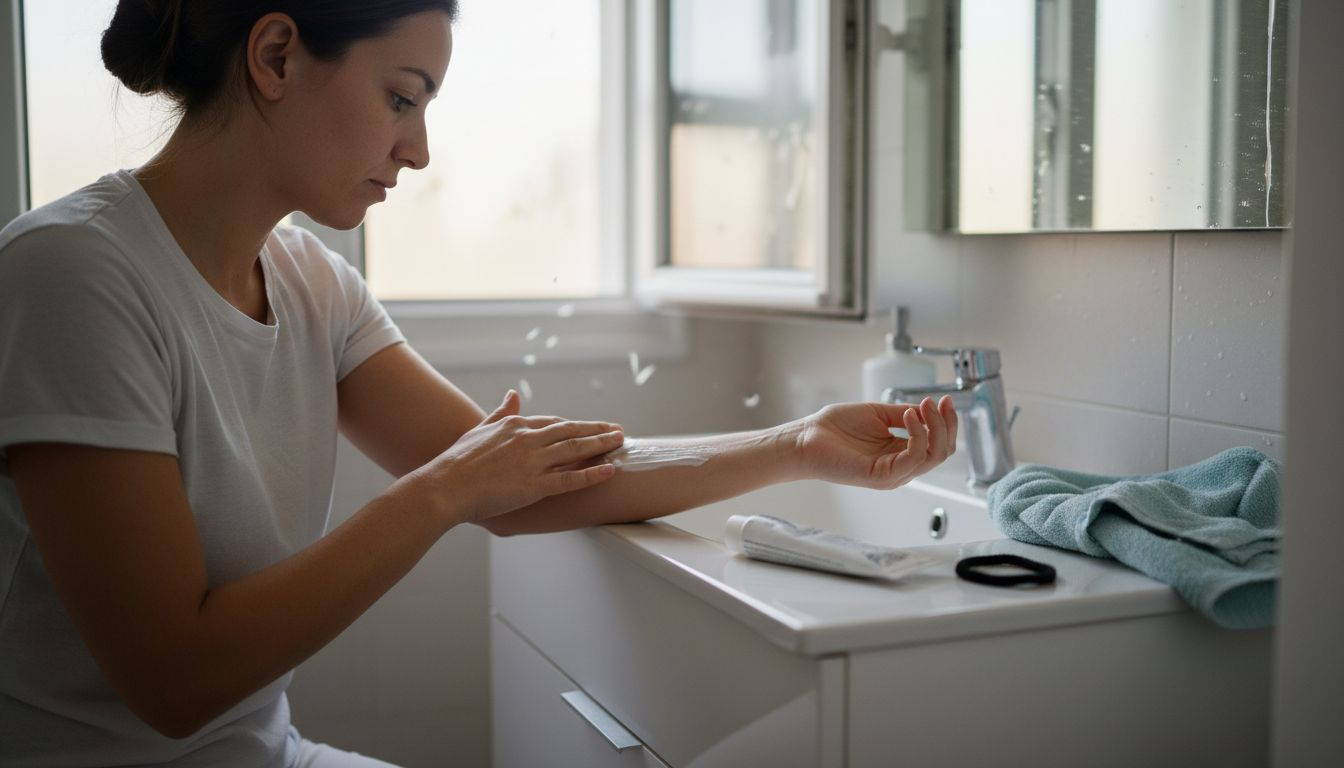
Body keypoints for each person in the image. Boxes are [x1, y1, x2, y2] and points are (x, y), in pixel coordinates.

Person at [0, 1, 958, 766]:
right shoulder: (72, 276)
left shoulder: (311, 282)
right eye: (402, 98)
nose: (418, 151)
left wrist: (795, 447)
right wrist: (440, 492)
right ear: (278, 56)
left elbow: (521, 481)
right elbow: (174, 685)